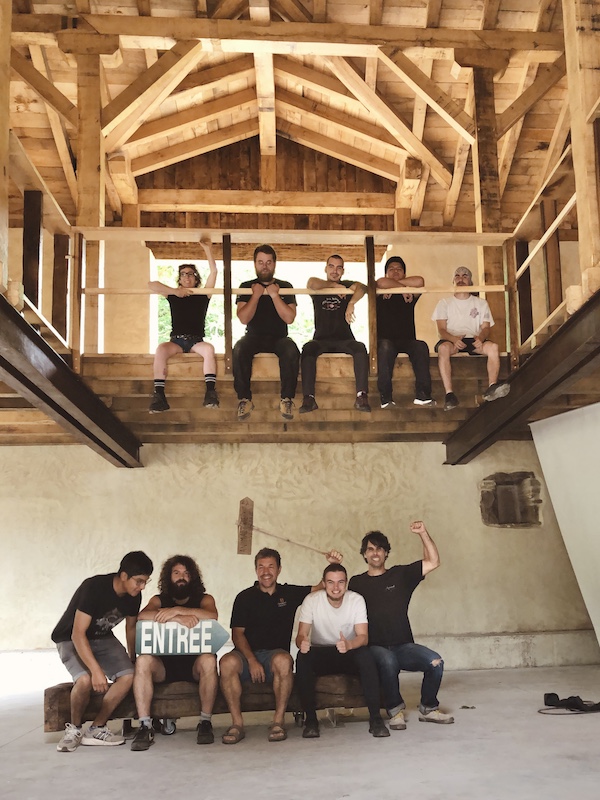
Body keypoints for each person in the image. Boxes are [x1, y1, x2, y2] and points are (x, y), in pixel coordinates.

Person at [219, 545, 343, 744]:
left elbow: (320, 587)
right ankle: (237, 724)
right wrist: (251, 660)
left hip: (275, 656)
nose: (266, 572)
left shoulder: (289, 593)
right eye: (261, 567)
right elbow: (237, 634)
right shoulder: (244, 597)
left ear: (279, 569)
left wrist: (333, 565)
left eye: (271, 566)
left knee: (284, 661)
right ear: (256, 570)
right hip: (246, 655)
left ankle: (278, 722)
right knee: (226, 662)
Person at [349, 523, 454, 729]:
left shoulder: (400, 575)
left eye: (380, 548)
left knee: (435, 662)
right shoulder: (356, 583)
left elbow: (433, 561)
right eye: (370, 549)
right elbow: (335, 593)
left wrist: (423, 533)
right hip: (374, 646)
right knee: (388, 661)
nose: (375, 553)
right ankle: (395, 711)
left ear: (386, 553)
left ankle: (428, 707)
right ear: (364, 555)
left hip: (403, 645)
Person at [52, 551, 154, 752]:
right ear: (123, 576)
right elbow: (78, 634)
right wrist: (96, 671)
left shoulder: (134, 596)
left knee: (128, 676)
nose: (142, 587)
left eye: (145, 582)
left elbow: (131, 628)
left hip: (102, 637)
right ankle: (74, 729)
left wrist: (132, 657)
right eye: (139, 581)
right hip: (70, 638)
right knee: (85, 681)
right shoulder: (94, 587)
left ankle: (97, 727)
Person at [130, 555, 219, 751]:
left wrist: (178, 610)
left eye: (186, 573)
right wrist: (175, 618)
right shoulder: (159, 599)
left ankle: (205, 722)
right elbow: (143, 616)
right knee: (143, 661)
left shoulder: (204, 599)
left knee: (209, 660)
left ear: (192, 577)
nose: (181, 577)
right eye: (176, 573)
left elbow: (212, 616)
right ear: (168, 576)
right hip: (165, 665)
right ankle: (145, 726)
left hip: (193, 664)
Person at [295, 564, 389, 738]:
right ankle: (311, 721)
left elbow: (363, 637)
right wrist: (302, 643)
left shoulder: (356, 600)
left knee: (366, 656)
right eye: (331, 582)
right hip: (321, 652)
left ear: (346, 583)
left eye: (340, 582)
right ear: (324, 583)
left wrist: (349, 645)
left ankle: (376, 719)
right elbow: (301, 635)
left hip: (348, 651)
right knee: (302, 657)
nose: (336, 587)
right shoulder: (312, 600)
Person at [148, 240, 219, 413]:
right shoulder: (173, 295)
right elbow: (151, 284)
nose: (187, 277)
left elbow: (214, 272)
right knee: (161, 349)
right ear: (179, 279)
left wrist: (207, 249)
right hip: (176, 341)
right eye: (183, 274)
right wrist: (175, 291)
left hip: (196, 342)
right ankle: (159, 395)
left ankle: (210, 392)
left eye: (191, 274)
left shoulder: (203, 296)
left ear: (196, 278)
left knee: (209, 349)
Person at [233, 245, 300, 421]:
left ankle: (286, 399)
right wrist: (256, 295)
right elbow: (243, 318)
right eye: (261, 262)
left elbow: (289, 318)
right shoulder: (246, 287)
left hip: (279, 338)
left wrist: (275, 296)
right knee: (239, 349)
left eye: (268, 262)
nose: (265, 266)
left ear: (274, 264)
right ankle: (245, 399)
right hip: (253, 337)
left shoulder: (285, 286)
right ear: (255, 264)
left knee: (291, 349)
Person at [432, 266, 510, 411]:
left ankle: (492, 386)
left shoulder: (481, 303)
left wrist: (480, 338)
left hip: (474, 339)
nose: (461, 278)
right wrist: (454, 339)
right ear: (453, 281)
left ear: (470, 281)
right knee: (443, 349)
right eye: (457, 276)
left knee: (493, 348)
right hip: (451, 339)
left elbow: (486, 327)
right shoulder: (444, 303)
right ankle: (449, 394)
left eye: (465, 276)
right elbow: (441, 330)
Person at [299, 254, 370, 414]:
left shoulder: (347, 286)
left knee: (360, 348)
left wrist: (351, 302)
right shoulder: (319, 287)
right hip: (321, 339)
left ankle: (362, 396)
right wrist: (334, 286)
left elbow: (363, 288)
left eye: (339, 267)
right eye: (331, 266)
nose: (335, 271)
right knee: (307, 349)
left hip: (344, 339)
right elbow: (311, 282)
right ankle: (309, 398)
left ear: (343, 271)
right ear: (326, 268)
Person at [377, 255, 435, 408]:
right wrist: (400, 288)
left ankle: (423, 395)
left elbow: (420, 281)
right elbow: (380, 282)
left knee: (421, 346)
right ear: (386, 273)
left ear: (404, 273)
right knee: (385, 348)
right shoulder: (381, 291)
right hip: (386, 340)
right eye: (391, 269)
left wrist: (400, 287)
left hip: (407, 340)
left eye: (399, 269)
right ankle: (385, 397)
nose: (395, 271)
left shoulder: (410, 292)